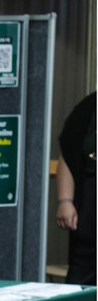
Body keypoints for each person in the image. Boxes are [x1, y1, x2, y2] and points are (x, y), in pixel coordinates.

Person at [58, 93, 89, 285]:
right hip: (89, 207)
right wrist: (65, 201)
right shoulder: (88, 109)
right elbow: (67, 157)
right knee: (82, 279)